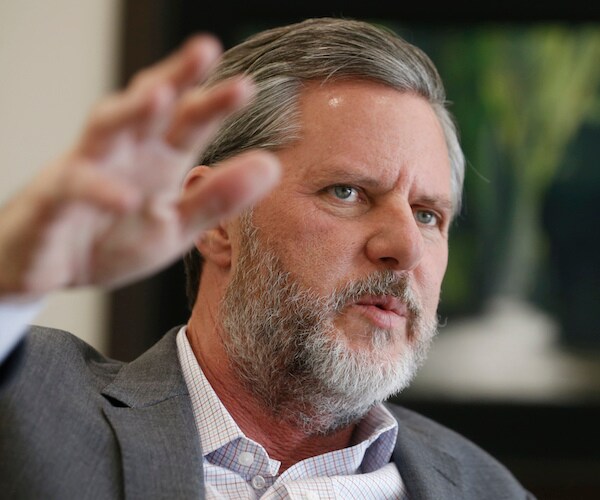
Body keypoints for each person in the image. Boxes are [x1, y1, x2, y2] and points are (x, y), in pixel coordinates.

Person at [0, 17, 535, 499]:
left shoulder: (490, 491)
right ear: (216, 219)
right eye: (347, 192)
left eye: (427, 215)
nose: (406, 247)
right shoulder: (31, 409)